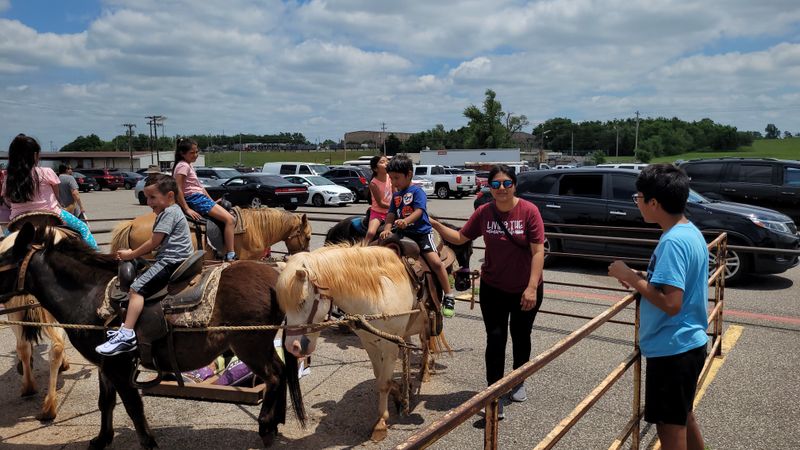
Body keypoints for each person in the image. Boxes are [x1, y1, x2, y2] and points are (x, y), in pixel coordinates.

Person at [431, 164, 545, 420]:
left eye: (506, 183)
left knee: (521, 335)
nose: (501, 189)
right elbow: (461, 238)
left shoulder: (529, 211)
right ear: (489, 188)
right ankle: (493, 394)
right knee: (495, 340)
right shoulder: (484, 212)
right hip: (493, 287)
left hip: (525, 288)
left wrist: (531, 287)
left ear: (514, 185)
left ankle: (518, 381)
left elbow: (538, 252)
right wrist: (435, 224)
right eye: (495, 185)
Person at [608, 164, 708, 450]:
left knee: (670, 427)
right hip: (689, 343)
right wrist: (643, 280)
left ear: (654, 202)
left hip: (673, 349)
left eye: (638, 197)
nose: (637, 203)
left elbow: (671, 303)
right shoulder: (689, 231)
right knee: (684, 415)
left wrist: (630, 277)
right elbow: (671, 287)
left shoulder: (673, 242)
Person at [96, 174, 194, 356]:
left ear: (170, 196)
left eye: (153, 197)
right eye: (147, 197)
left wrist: (131, 254)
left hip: (170, 261)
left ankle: (127, 334)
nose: (148, 202)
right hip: (177, 258)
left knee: (136, 289)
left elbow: (153, 242)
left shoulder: (169, 213)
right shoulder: (172, 211)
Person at [379, 155, 456, 317]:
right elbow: (391, 214)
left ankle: (449, 295)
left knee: (435, 262)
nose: (394, 182)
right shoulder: (396, 196)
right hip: (402, 233)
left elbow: (419, 211)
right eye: (391, 179)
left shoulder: (417, 191)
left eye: (397, 178)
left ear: (409, 174)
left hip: (421, 233)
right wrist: (387, 228)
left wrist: (406, 221)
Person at [2, 134, 97, 249]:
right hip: (51, 214)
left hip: (18, 220)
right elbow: (56, 195)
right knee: (83, 228)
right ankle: (98, 258)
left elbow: (7, 200)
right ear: (35, 155)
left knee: (4, 245)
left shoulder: (9, 178)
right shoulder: (46, 172)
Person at [172, 137, 237, 261]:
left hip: (200, 197)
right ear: (182, 153)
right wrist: (186, 209)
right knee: (230, 220)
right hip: (195, 199)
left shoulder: (188, 165)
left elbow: (201, 188)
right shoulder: (183, 166)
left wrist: (212, 201)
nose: (196, 155)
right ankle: (231, 253)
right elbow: (177, 188)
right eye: (192, 152)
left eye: (197, 152)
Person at [365, 155, 392, 242]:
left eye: (387, 161)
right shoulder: (373, 183)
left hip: (391, 212)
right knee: (371, 233)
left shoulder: (390, 177)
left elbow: (395, 194)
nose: (386, 163)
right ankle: (363, 249)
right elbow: (380, 203)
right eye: (382, 162)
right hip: (378, 213)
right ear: (375, 169)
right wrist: (394, 206)